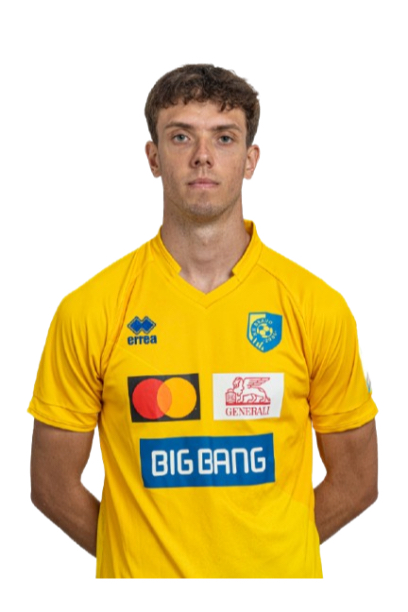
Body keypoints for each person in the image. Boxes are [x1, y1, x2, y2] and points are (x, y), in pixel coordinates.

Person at [28, 64, 378, 579]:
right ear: (153, 158)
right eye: (181, 136)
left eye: (224, 137)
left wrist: (271, 559)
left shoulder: (317, 307)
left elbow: (358, 481)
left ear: (250, 160)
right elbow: (51, 486)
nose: (202, 156)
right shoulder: (90, 310)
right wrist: (140, 564)